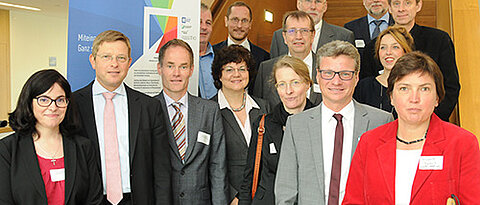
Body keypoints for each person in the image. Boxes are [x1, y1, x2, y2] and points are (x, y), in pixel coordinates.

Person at [343, 51, 480, 204]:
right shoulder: (369, 143)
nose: (414, 99)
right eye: (404, 88)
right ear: (391, 97)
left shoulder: (462, 143)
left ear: (437, 98)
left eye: (424, 89)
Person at [274, 40, 393, 205]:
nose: (336, 81)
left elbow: (387, 186)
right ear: (317, 76)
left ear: (356, 77)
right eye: (328, 73)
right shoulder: (296, 125)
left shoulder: (380, 121)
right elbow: (285, 190)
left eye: (345, 73)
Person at [72, 30, 171, 204]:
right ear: (93, 61)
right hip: (90, 200)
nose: (114, 64)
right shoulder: (72, 105)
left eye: (121, 58)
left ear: (129, 62)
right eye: (106, 57)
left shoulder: (149, 107)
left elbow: (161, 168)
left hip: (136, 199)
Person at [1, 69, 102, 204]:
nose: (53, 107)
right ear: (29, 102)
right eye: (44, 99)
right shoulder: (7, 149)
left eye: (60, 100)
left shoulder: (84, 147)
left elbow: (94, 200)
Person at [154, 39, 228, 205]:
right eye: (170, 65)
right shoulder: (148, 110)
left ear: (191, 70)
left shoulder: (209, 110)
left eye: (183, 66)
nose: (176, 73)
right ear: (160, 68)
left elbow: (218, 167)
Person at [360, 0, 460, 122]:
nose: (401, 9)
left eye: (407, 3)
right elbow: (367, 89)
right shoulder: (374, 45)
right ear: (389, 8)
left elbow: (450, 87)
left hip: (431, 122)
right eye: (396, 4)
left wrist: (427, 121)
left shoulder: (439, 39)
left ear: (418, 6)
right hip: (384, 125)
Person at [238, 56, 315, 205]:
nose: (288, 91)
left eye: (295, 83)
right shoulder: (263, 125)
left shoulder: (321, 122)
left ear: (307, 84)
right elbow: (250, 176)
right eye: (282, 84)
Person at [210, 45, 269, 204]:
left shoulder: (264, 107)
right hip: (228, 199)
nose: (236, 74)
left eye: (242, 68)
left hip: (262, 196)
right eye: (229, 69)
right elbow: (207, 163)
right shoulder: (209, 110)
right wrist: (233, 197)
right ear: (219, 75)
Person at [254, 11, 322, 108]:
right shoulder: (266, 69)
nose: (298, 36)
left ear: (312, 36)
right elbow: (259, 107)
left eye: (304, 31)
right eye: (292, 31)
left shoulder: (325, 67)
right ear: (284, 37)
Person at [213, 1, 270, 95]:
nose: (239, 25)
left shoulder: (264, 57)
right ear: (226, 21)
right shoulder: (213, 53)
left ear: (250, 24)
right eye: (235, 19)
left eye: (244, 20)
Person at [354, 26, 414, 113]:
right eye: (383, 47)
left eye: (395, 47)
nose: (388, 52)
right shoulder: (364, 87)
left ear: (406, 51)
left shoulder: (415, 85)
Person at [270, 0, 354, 58]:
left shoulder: (343, 36)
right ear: (299, 4)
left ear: (325, 6)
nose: (313, 6)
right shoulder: (279, 36)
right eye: (308, 1)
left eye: (318, 1)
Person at [198, 2, 217, 99]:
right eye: (199, 22)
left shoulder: (221, 57)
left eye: (208, 23)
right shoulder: (181, 58)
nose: (204, 27)